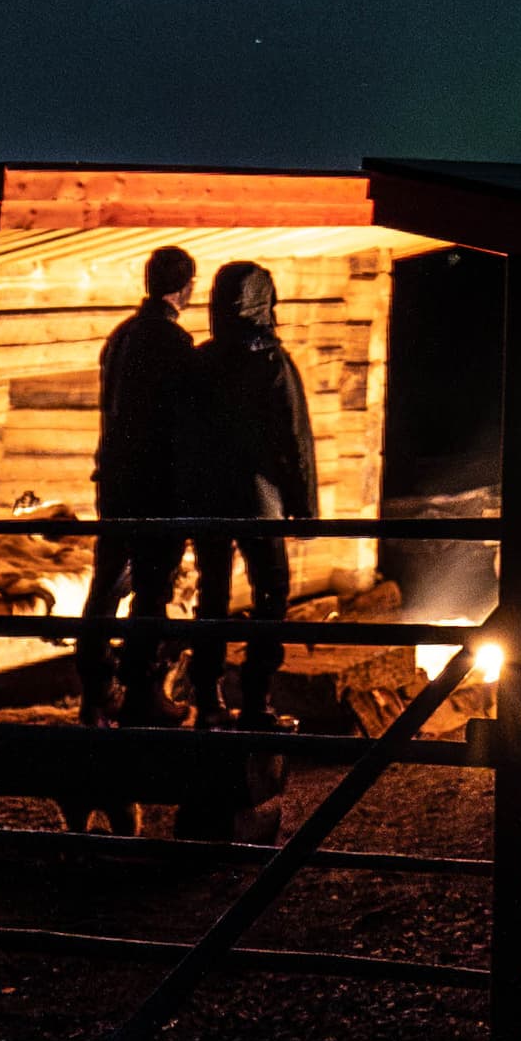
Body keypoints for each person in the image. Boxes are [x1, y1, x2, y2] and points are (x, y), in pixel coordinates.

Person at [71, 244, 200, 727]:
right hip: (154, 487)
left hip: (116, 481)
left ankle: (97, 689)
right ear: (184, 287)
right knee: (150, 589)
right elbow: (178, 426)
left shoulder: (120, 337)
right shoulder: (171, 342)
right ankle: (142, 693)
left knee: (106, 584)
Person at [187, 260, 318, 727]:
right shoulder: (270, 363)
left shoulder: (201, 361)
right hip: (259, 500)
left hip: (206, 499)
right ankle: (257, 698)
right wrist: (303, 506)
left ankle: (207, 698)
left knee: (212, 595)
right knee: (270, 592)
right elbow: (293, 438)